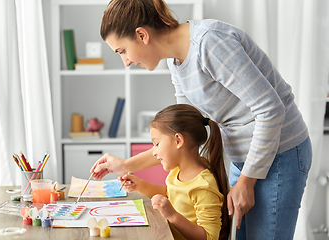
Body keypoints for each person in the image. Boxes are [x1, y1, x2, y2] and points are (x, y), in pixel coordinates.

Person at [92, 0, 312, 239]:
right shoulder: (176, 63)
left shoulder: (210, 43)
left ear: (142, 35)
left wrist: (246, 183)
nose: (126, 62)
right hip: (245, 159)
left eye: (122, 51)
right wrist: (126, 165)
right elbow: (181, 135)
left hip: (280, 154)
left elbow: (270, 108)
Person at [119, 104, 230, 240]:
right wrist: (139, 185)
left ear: (178, 140)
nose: (154, 152)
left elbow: (209, 237)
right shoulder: (177, 170)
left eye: (157, 144)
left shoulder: (203, 186)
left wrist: (172, 216)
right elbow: (170, 194)